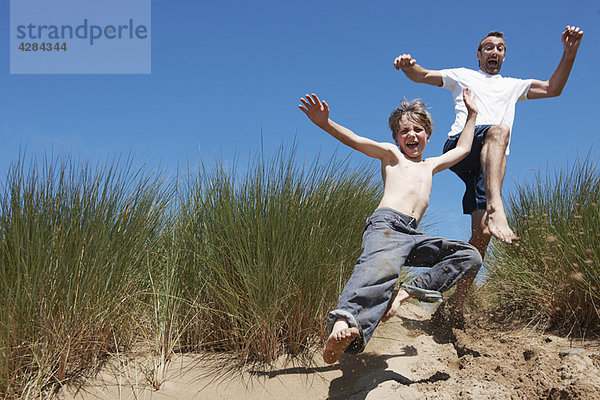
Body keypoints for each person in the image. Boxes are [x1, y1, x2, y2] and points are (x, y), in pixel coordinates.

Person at [393, 26, 583, 320]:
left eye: (500, 48)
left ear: (504, 55)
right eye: (488, 47)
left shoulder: (513, 86)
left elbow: (553, 88)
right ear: (478, 54)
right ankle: (497, 206)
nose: (494, 51)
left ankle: (455, 303)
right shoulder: (462, 76)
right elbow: (422, 74)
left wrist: (569, 53)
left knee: (481, 234)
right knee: (499, 131)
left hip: (489, 164)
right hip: (462, 145)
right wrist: (409, 66)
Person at [298, 89, 482, 364]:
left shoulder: (430, 165)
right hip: (387, 226)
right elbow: (356, 141)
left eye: (418, 130)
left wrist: (472, 114)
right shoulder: (391, 156)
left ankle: (405, 293)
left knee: (470, 256)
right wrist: (325, 123)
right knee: (373, 274)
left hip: (412, 236)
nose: (411, 135)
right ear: (397, 137)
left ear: (428, 136)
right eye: (404, 131)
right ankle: (343, 326)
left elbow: (464, 149)